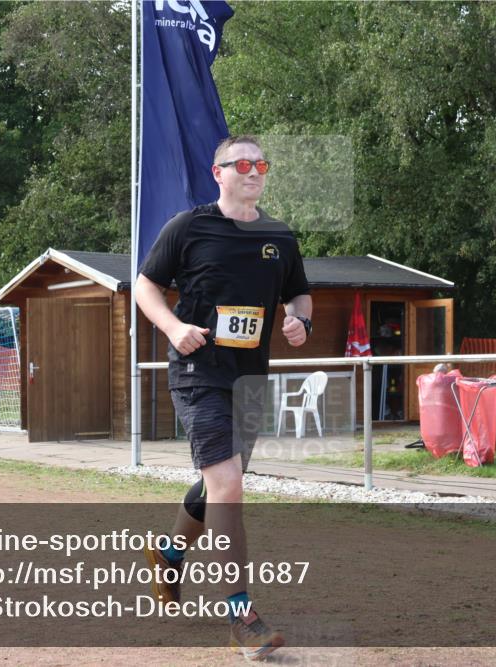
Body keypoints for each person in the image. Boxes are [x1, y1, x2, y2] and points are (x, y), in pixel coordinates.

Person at [134, 135, 312, 660]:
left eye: (261, 164)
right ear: (219, 173)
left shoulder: (280, 236)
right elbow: (145, 285)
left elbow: (299, 292)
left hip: (249, 379)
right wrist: (172, 327)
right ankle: (242, 616)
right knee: (228, 484)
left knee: (218, 484)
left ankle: (168, 554)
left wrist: (299, 319)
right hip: (199, 371)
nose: (254, 171)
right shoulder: (188, 227)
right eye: (243, 164)